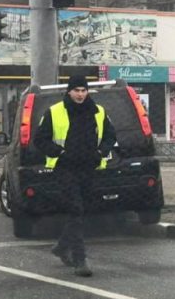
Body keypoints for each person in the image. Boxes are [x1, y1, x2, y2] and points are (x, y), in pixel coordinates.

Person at [33, 75, 117, 277]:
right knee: (76, 209)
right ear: (69, 92)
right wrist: (58, 152)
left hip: (89, 167)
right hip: (65, 168)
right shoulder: (54, 112)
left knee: (81, 212)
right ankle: (81, 260)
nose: (80, 94)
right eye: (76, 90)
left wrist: (100, 153)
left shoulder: (98, 111)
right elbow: (40, 139)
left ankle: (62, 246)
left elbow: (110, 136)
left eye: (83, 90)